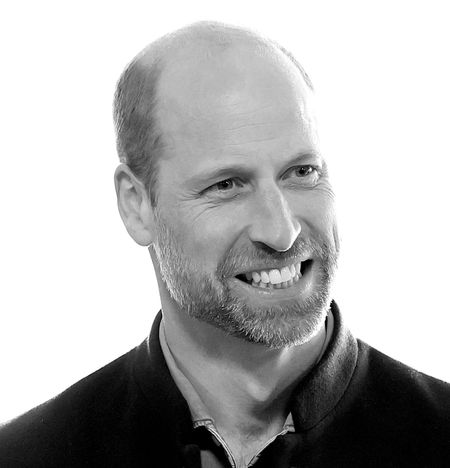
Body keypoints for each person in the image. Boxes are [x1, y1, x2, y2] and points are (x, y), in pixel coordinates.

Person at [0, 21, 449, 468]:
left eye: (302, 172)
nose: (282, 231)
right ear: (136, 206)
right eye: (226, 185)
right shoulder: (28, 455)